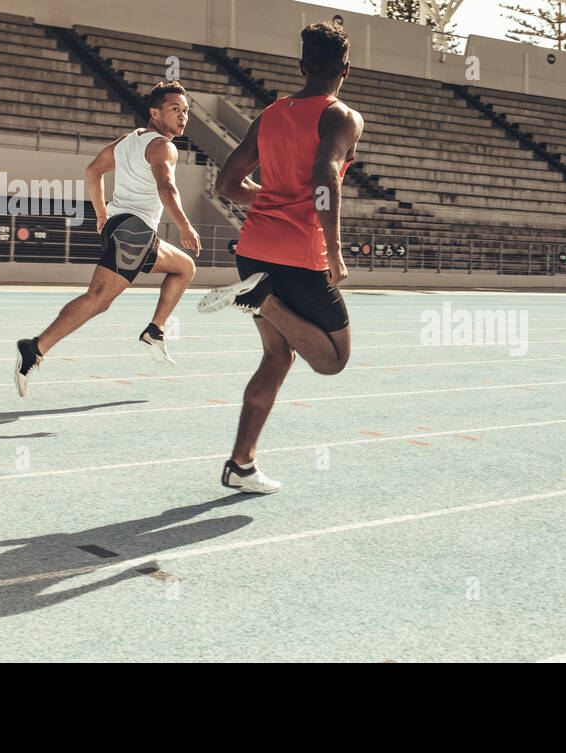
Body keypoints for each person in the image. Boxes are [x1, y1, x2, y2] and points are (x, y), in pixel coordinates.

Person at [199, 22, 362, 494]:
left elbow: (226, 185)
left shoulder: (271, 114)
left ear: (301, 66)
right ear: (345, 71)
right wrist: (333, 251)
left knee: (276, 356)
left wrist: (272, 199)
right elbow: (325, 176)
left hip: (252, 251)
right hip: (300, 256)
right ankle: (264, 301)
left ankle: (240, 465)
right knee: (332, 361)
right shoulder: (342, 116)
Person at [13, 81, 201, 396]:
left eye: (185, 111)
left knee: (184, 268)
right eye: (174, 109)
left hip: (124, 229)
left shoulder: (129, 141)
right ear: (154, 113)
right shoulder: (162, 146)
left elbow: (92, 171)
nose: (183, 116)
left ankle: (155, 330)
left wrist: (102, 214)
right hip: (135, 233)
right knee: (98, 299)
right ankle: (36, 347)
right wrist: (184, 225)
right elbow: (166, 187)